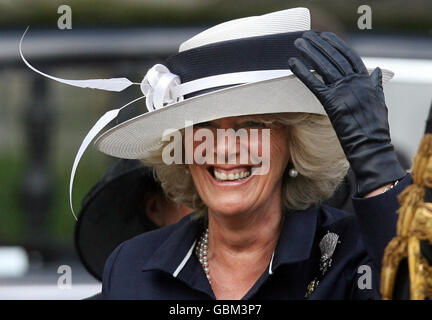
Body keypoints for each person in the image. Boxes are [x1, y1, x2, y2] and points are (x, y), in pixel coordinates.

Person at [22, 7, 412, 300]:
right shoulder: (134, 266)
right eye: (204, 128)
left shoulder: (353, 254)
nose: (224, 149)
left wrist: (375, 161)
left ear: (294, 144)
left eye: (252, 126)